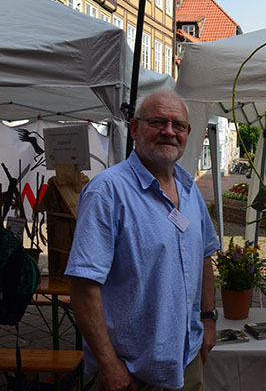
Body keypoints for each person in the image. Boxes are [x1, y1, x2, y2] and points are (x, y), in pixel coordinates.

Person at [65, 92, 219, 391]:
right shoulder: (107, 191)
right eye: (157, 122)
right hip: (133, 370)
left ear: (188, 133)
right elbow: (83, 285)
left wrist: (209, 320)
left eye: (178, 125)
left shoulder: (189, 189)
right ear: (135, 129)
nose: (169, 132)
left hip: (187, 359)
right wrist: (108, 363)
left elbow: (204, 256)